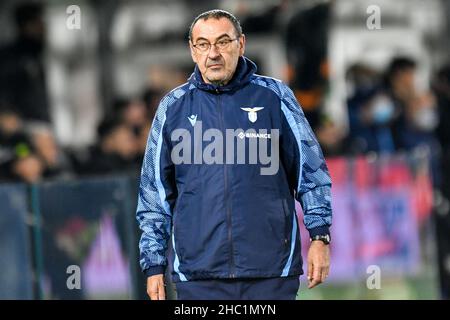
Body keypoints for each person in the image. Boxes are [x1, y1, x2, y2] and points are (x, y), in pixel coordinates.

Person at [136, 9, 332, 300]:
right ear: (192, 51)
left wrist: (319, 236)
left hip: (270, 272)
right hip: (199, 276)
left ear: (241, 44)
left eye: (223, 42)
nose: (213, 53)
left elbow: (311, 173)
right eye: (203, 44)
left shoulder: (275, 97)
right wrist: (153, 264)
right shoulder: (172, 108)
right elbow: (155, 195)